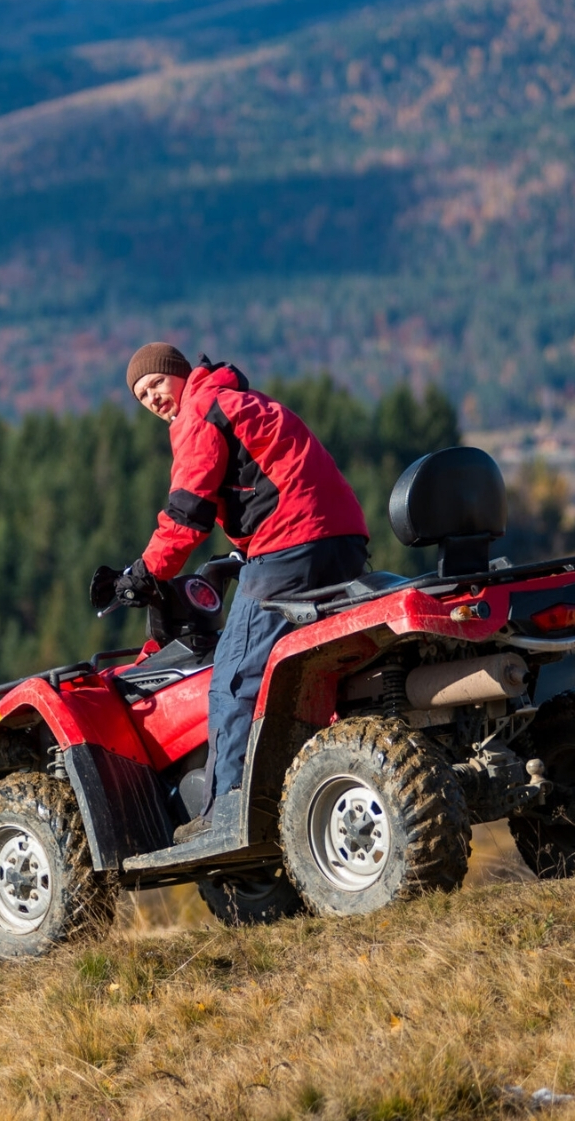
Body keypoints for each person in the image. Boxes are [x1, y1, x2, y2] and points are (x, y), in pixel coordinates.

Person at [120, 342, 370, 844]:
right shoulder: (238, 400)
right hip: (342, 539)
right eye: (142, 395)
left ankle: (228, 815)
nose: (152, 399)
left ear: (180, 374)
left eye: (156, 384)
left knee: (234, 679)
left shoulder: (200, 411)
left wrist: (144, 572)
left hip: (291, 542)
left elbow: (187, 512)